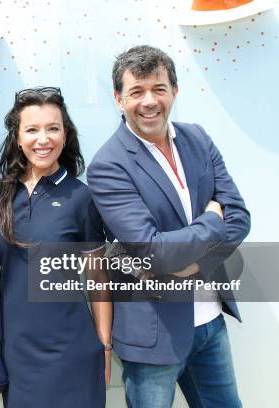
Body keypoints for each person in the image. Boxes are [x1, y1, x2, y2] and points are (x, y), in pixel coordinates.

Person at [87, 45, 251, 407]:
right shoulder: (108, 166)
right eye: (136, 91)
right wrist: (211, 219)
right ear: (118, 98)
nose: (149, 101)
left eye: (158, 88)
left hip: (211, 323)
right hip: (153, 336)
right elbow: (153, 251)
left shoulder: (198, 139)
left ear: (174, 91)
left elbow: (239, 216)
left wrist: (197, 264)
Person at [0, 87, 112, 408]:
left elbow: (98, 279)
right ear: (17, 138)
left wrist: (104, 347)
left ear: (65, 135)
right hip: (16, 352)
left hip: (74, 351)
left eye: (53, 128)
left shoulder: (83, 197)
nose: (44, 139)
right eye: (32, 130)